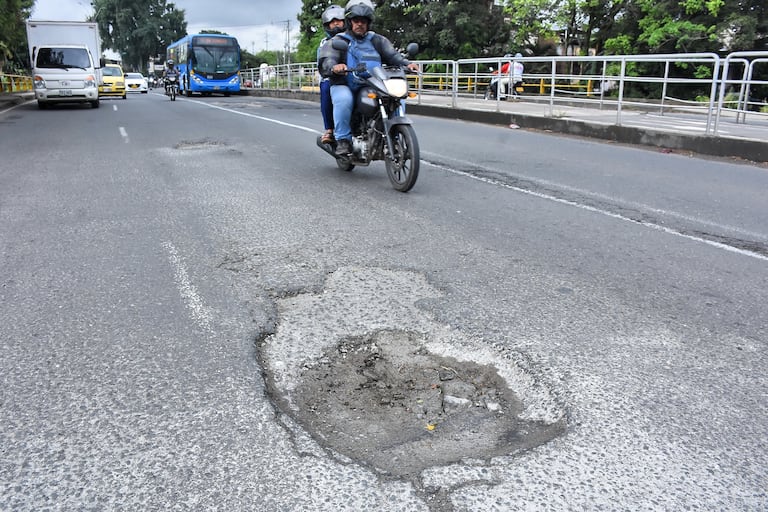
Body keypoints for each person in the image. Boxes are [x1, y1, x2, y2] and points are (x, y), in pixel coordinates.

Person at [319, 0, 419, 157]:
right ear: (349, 22)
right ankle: (343, 140)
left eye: (363, 21)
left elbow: (392, 55)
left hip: (372, 83)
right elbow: (328, 59)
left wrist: (408, 64)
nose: (360, 24)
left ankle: (393, 135)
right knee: (344, 99)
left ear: (368, 23)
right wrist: (334, 66)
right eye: (356, 20)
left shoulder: (377, 39)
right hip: (345, 83)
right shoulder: (338, 40)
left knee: (396, 98)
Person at [318, 5, 346, 144]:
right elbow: (324, 62)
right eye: (332, 21)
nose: (336, 23)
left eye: (339, 20)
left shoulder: (352, 38)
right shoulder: (325, 43)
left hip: (354, 76)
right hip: (332, 76)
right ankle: (329, 129)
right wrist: (333, 68)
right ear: (327, 25)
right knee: (325, 87)